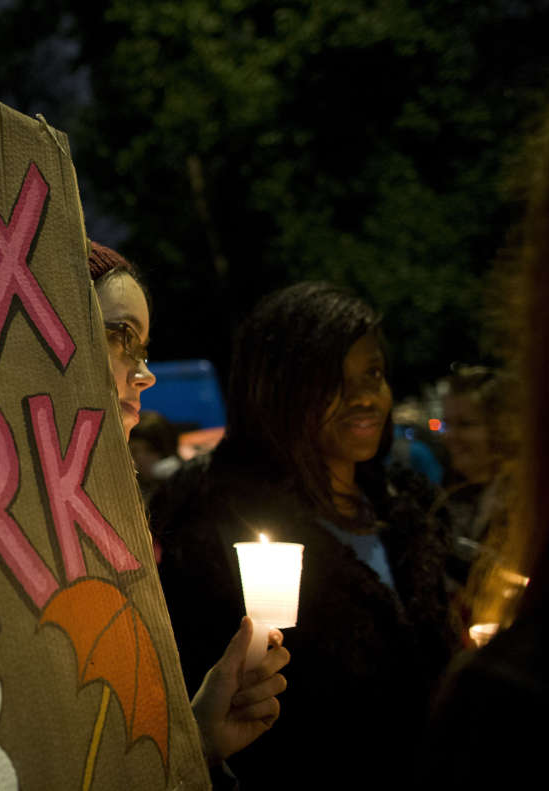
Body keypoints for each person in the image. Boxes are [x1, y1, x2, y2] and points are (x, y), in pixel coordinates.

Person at [149, 281, 457, 790]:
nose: (364, 398)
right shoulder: (215, 529)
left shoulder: (410, 511)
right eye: (332, 380)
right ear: (277, 390)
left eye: (374, 373)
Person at [87, 241, 289, 782]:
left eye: (144, 346)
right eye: (120, 335)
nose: (144, 374)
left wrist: (196, 744)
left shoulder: (117, 520)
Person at [415, 109, 549, 788]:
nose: (455, 438)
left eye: (468, 425)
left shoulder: (510, 697)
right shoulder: (447, 502)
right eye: (451, 424)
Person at [436, 365, 517, 601]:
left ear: (503, 428)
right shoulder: (448, 494)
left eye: (465, 424)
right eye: (447, 424)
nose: (449, 436)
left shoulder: (530, 502)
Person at [128, 410, 182, 507]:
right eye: (132, 452)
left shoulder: (185, 485)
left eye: (134, 452)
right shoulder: (131, 491)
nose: (139, 458)